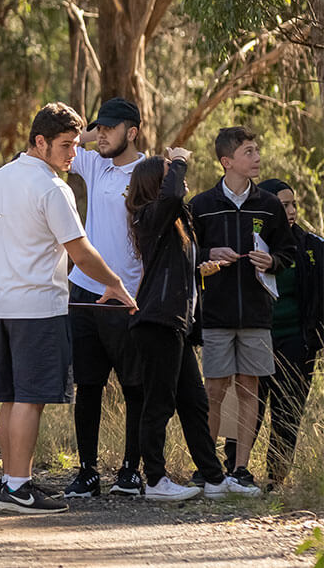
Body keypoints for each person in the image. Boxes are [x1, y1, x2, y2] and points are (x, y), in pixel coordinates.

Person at [0, 103, 137, 515]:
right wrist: (115, 283)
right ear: (40, 142)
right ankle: (18, 487)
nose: (74, 154)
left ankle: (8, 482)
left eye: (76, 143)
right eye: (66, 145)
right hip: (36, 307)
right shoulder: (53, 189)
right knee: (29, 400)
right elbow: (81, 252)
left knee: (12, 398)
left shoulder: (0, 178)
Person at [125, 149, 260, 500]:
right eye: (172, 172)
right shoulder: (148, 214)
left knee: (194, 403)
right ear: (156, 181)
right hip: (157, 322)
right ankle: (154, 480)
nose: (180, 177)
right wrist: (179, 157)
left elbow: (175, 260)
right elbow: (172, 195)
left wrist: (206, 260)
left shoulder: (173, 223)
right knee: (159, 404)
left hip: (176, 324)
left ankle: (214, 480)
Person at [189, 127, 296, 489]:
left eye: (257, 150)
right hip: (216, 316)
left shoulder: (268, 205)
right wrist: (206, 257)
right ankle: (209, 470)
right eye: (249, 152)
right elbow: (187, 254)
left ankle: (241, 470)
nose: (257, 158)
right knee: (215, 390)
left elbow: (288, 252)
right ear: (227, 161)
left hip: (256, 316)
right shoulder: (201, 206)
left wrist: (273, 262)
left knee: (249, 390)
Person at [63, 98, 146, 499]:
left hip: (127, 296)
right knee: (89, 385)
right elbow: (61, 140)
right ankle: (87, 472)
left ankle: (131, 470)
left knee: (134, 387)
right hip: (84, 291)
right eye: (99, 128)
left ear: (132, 132)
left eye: (110, 129)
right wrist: (81, 126)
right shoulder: (95, 164)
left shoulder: (151, 172)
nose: (101, 135)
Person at [221, 178, 324, 489]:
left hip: (296, 342)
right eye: (282, 205)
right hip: (253, 337)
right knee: (245, 408)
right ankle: (235, 473)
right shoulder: (245, 244)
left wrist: (315, 340)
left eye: (293, 204)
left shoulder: (313, 246)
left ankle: (275, 479)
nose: (290, 211)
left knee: (287, 413)